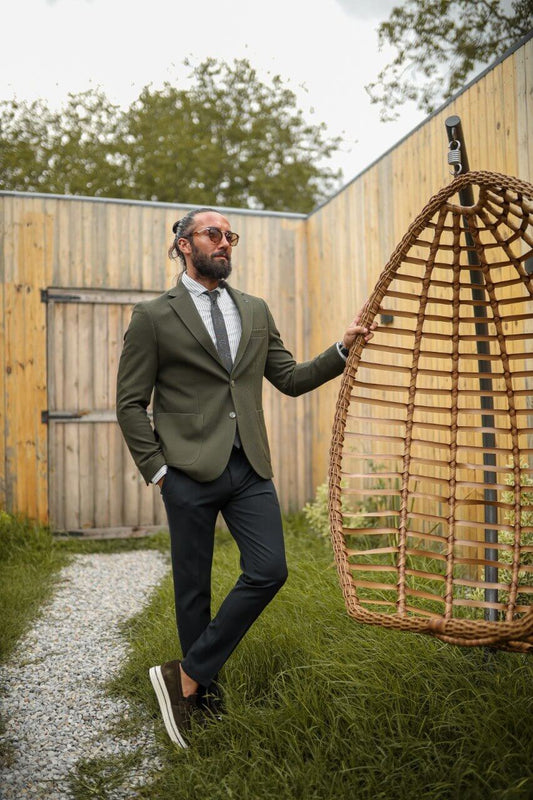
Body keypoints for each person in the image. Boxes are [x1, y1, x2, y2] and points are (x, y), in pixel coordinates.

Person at [116, 207, 375, 748]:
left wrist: (343, 350)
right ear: (184, 244)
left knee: (269, 570)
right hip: (185, 471)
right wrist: (158, 470)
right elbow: (129, 403)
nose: (225, 243)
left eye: (230, 235)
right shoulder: (153, 316)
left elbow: (291, 378)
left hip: (249, 467)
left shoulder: (254, 310)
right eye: (214, 234)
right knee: (193, 591)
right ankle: (200, 703)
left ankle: (184, 676)